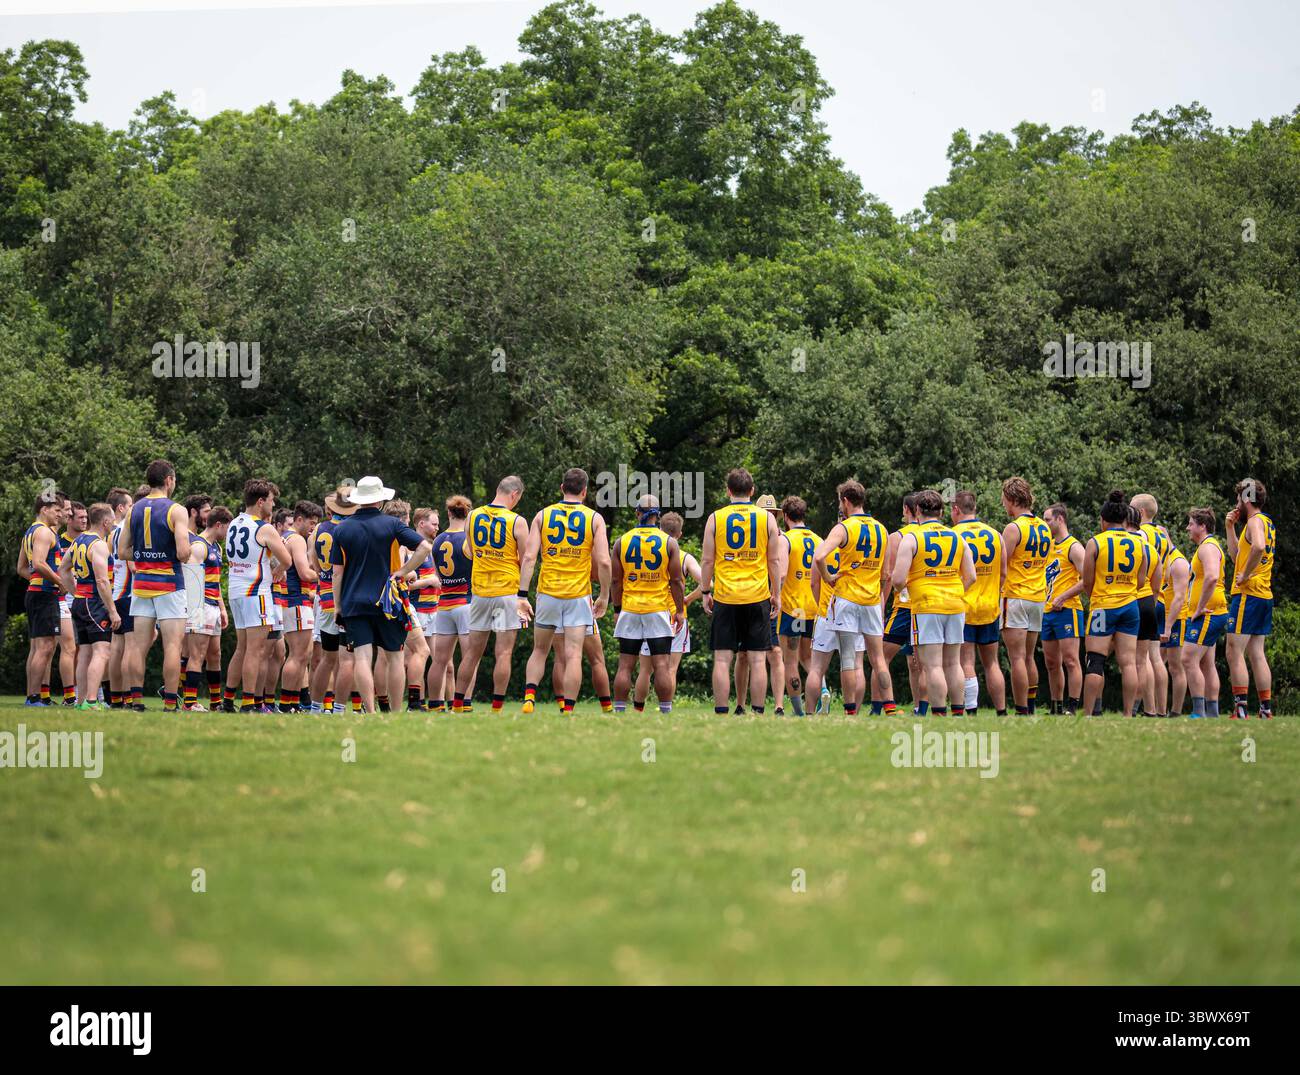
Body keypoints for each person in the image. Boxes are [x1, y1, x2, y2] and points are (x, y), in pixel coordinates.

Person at [331, 476, 434, 714]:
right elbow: (425, 547)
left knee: (363, 658)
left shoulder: (342, 529)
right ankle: (396, 713)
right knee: (395, 658)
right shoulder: (392, 524)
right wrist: (403, 572)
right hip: (388, 601)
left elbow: (337, 573)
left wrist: (338, 606)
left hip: (354, 602)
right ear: (380, 499)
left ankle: (370, 711)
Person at [520, 469, 610, 714]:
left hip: (548, 591)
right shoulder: (594, 518)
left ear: (562, 488)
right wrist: (603, 595)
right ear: (584, 491)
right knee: (573, 655)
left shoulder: (542, 515)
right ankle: (568, 708)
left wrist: (521, 595)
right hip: (578, 595)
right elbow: (603, 562)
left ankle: (529, 697)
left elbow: (529, 557)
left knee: (539, 650)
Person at [699, 468, 782, 715]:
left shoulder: (716, 518)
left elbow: (706, 560)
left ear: (728, 490)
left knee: (723, 659)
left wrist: (705, 592)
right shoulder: (767, 519)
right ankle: (757, 711)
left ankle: (722, 711)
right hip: (757, 596)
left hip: (725, 595)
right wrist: (775, 594)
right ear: (752, 491)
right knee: (757, 660)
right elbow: (774, 561)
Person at [889, 489, 975, 715]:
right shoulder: (957, 536)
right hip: (955, 604)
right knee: (953, 662)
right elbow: (972, 576)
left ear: (917, 511)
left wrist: (905, 592)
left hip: (927, 605)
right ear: (942, 511)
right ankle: (958, 711)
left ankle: (938, 712)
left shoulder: (912, 537)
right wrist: (955, 591)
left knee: (933, 665)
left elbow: (897, 578)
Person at [116, 460, 192, 712]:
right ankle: (170, 702)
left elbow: (122, 551)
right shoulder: (176, 510)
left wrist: (146, 556)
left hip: (141, 585)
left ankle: (136, 701)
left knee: (137, 646)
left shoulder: (134, 509)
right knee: (172, 645)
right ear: (169, 480)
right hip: (169, 584)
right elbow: (182, 553)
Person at [812, 480, 889, 716]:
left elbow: (819, 556)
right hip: (872, 599)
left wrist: (828, 577)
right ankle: (890, 706)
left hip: (847, 597)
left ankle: (849, 710)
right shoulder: (881, 529)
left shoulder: (844, 527)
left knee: (848, 658)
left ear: (845, 501)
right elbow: (885, 574)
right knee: (877, 659)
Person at [454, 477, 530, 713]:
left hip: (480, 592)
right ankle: (496, 708)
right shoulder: (517, 521)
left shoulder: (472, 516)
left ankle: (457, 705)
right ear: (515, 494)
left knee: (472, 653)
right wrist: (523, 595)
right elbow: (525, 559)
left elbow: (471, 551)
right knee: (504, 652)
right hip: (507, 591)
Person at [611, 495, 686, 712]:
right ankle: (665, 710)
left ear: (637, 513)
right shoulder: (669, 542)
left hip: (630, 608)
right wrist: (680, 610)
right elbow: (676, 581)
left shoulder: (621, 541)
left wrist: (617, 609)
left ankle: (619, 710)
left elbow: (616, 581)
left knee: (625, 664)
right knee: (662, 664)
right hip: (657, 609)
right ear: (657, 516)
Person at [224, 479, 292, 714]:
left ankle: (227, 699)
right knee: (256, 650)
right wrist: (279, 571)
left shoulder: (233, 522)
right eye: (271, 501)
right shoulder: (263, 527)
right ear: (261, 501)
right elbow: (287, 560)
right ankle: (250, 703)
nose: (273, 506)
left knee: (241, 649)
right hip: (256, 592)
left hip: (235, 590)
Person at [1080, 492, 1148, 718]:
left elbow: (1087, 582)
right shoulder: (1140, 543)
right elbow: (1141, 581)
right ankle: (1128, 715)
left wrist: (1098, 595)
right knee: (1128, 663)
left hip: (1102, 606)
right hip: (1130, 606)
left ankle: (1088, 714)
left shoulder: (1095, 542)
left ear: (1103, 520)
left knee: (1095, 661)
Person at [632, 511, 701, 710]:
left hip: (651, 612)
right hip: (676, 618)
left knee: (645, 670)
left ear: (660, 529)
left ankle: (638, 710)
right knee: (670, 668)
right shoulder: (685, 557)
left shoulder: (647, 550)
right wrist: (688, 599)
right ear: (679, 535)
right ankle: (665, 709)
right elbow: (707, 582)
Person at [58, 502, 120, 707]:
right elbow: (102, 581)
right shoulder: (99, 544)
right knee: (102, 652)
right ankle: (92, 701)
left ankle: (81, 701)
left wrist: (76, 593)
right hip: (94, 603)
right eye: (112, 521)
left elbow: (63, 570)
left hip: (80, 603)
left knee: (84, 653)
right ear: (105, 521)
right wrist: (112, 612)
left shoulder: (77, 541)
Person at [1000, 477, 1051, 715]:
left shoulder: (1013, 528)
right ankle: (1030, 707)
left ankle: (1021, 710)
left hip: (1016, 595)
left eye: (1004, 500)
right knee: (1029, 657)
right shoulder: (1044, 526)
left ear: (1012, 499)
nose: (1003, 505)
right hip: (1038, 596)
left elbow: (1002, 565)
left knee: (1017, 658)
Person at [1225, 478, 1275, 719]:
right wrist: (1230, 527)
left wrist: (1244, 575)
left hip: (1249, 594)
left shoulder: (1255, 521)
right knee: (1257, 653)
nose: (1236, 504)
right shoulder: (1266, 522)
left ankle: (1241, 707)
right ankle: (1265, 709)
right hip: (1264, 594)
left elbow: (1258, 547)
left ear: (1246, 500)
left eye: (1238, 499)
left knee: (1234, 650)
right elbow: (1237, 557)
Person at [952, 490, 1006, 715]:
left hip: (964, 606)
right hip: (990, 606)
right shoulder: (996, 535)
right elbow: (1003, 573)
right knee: (992, 663)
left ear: (956, 510)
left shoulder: (953, 534)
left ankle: (971, 711)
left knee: (966, 661)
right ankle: (1002, 711)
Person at [734, 493, 787, 714]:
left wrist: (776, 595)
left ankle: (778, 705)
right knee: (743, 654)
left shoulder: (781, 538)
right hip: (744, 597)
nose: (769, 516)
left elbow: (781, 572)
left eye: (772, 513)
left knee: (774, 652)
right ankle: (739, 704)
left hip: (767, 600)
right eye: (766, 513)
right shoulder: (748, 535)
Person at [17, 490, 66, 706]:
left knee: (37, 647)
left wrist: (37, 580)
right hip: (44, 596)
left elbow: (21, 568)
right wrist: (59, 581)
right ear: (44, 509)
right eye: (56, 510)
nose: (59, 515)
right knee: (45, 647)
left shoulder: (29, 532)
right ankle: (34, 697)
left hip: (35, 593)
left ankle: (32, 696)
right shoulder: (45, 533)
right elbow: (38, 563)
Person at [1182, 507, 1229, 719]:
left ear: (1202, 526)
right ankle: (1212, 714)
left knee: (1188, 659)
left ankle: (1199, 712)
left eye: (1191, 524)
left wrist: (1199, 607)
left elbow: (1211, 577)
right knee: (1206, 663)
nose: (1187, 528)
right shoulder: (1207, 546)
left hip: (1208, 612)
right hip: (1214, 611)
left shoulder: (1207, 547)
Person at [183, 506, 231, 711]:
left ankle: (215, 702)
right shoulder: (198, 546)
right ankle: (189, 703)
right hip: (199, 605)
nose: (228, 534)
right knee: (197, 654)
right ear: (218, 525)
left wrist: (222, 608)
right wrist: (196, 612)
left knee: (215, 654)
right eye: (227, 528)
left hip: (213, 605)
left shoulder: (217, 548)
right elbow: (191, 580)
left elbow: (216, 582)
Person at [429, 495, 473, 713]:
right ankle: (464, 703)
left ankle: (435, 704)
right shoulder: (469, 538)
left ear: (448, 513)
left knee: (439, 661)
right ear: (468, 513)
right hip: (466, 602)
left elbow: (437, 576)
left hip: (444, 604)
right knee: (470, 657)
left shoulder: (437, 541)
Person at [775, 497, 819, 716]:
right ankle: (825, 690)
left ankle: (799, 711)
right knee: (809, 658)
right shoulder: (818, 539)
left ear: (785, 515)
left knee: (790, 661)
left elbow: (782, 573)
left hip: (793, 608)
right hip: (812, 607)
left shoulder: (786, 539)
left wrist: (775, 596)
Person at [276, 501, 322, 712]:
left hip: (288, 600)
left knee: (301, 654)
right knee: (298, 654)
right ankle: (286, 704)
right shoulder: (296, 539)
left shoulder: (284, 536)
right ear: (300, 519)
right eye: (311, 523)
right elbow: (305, 573)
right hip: (296, 600)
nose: (313, 528)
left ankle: (292, 702)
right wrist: (323, 576)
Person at [1042, 503, 1085, 715]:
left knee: (1070, 660)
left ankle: (1072, 706)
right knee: (1051, 662)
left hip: (1068, 609)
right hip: (1047, 611)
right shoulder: (1047, 546)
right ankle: (1055, 706)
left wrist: (1063, 596)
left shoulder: (1074, 547)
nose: (1045, 524)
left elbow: (1088, 580)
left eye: (1048, 519)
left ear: (1060, 519)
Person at [1131, 493, 1169, 715]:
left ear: (1141, 512)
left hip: (1143, 596)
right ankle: (1161, 710)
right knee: (1155, 657)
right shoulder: (1163, 536)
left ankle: (1150, 709)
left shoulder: (1141, 534)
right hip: (1159, 597)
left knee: (1142, 658)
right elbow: (1165, 569)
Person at [105, 487, 134, 708]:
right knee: (130, 648)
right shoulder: (128, 529)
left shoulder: (112, 532)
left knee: (117, 647)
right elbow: (133, 565)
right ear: (122, 507)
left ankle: (115, 698)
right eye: (131, 505)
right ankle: (128, 697)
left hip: (117, 592)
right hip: (128, 593)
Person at [1158, 534, 1190, 715]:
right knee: (1157, 663)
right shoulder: (1164, 560)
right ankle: (1155, 709)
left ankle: (1176, 711)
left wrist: (1168, 627)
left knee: (1175, 667)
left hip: (1176, 619)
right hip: (1164, 617)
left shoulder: (1178, 562)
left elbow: (1179, 598)